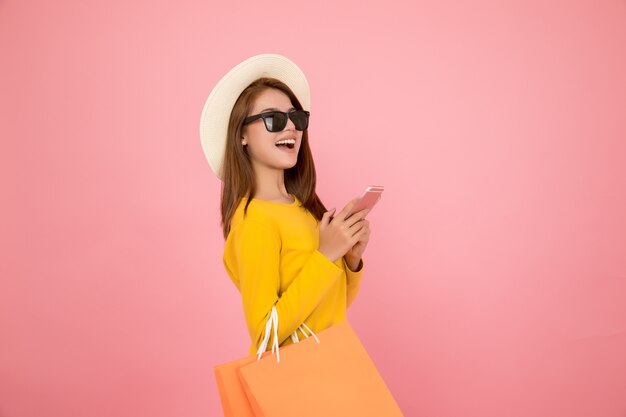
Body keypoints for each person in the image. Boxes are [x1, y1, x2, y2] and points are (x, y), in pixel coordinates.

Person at [199, 53, 372, 356]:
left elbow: (331, 307)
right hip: (297, 388)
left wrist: (350, 261)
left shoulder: (302, 208)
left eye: (296, 117)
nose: (290, 127)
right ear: (241, 135)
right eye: (273, 119)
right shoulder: (255, 221)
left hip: (332, 370)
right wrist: (326, 254)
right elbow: (265, 334)